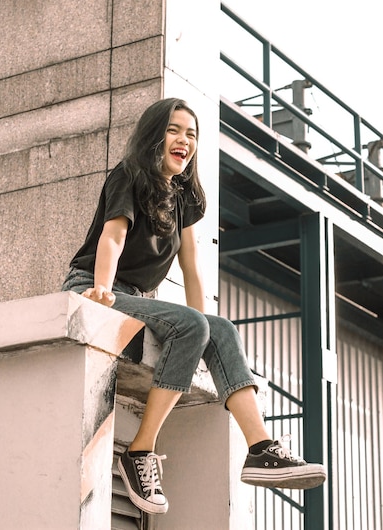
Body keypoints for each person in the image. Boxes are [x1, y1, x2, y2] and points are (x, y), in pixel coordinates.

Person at [62, 97, 326, 515]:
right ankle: (140, 451)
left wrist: (203, 323)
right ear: (153, 136)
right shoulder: (128, 175)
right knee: (191, 325)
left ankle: (259, 447)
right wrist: (101, 288)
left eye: (192, 133)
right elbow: (111, 238)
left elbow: (191, 268)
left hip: (135, 295)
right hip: (97, 285)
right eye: (174, 130)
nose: (184, 139)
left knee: (216, 327)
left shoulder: (184, 197)